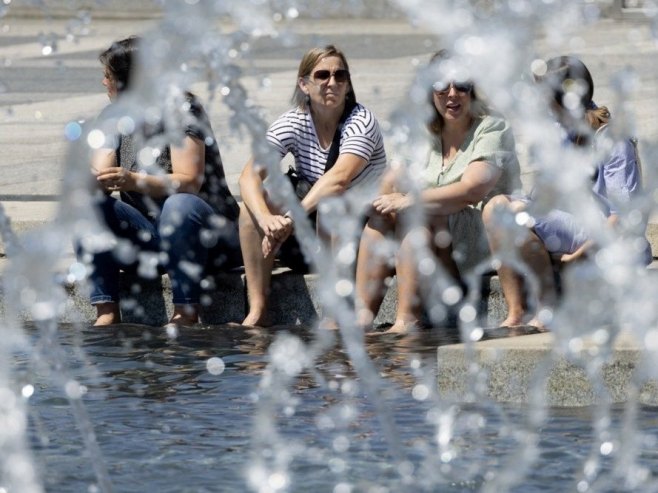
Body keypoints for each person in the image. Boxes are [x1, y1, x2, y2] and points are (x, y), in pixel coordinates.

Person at [354, 49, 522, 334]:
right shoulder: (425, 133)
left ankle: (407, 320)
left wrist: (410, 200)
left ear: (473, 89)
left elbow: (472, 189)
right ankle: (361, 321)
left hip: (479, 240)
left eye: (461, 85)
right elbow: (392, 180)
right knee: (381, 218)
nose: (452, 94)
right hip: (434, 241)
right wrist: (380, 204)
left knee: (418, 213)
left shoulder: (493, 127)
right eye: (441, 85)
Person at [80, 36, 242, 326]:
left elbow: (189, 181)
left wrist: (132, 180)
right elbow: (101, 172)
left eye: (109, 76)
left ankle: (186, 312)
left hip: (207, 237)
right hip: (152, 237)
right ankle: (106, 313)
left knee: (179, 205)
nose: (104, 83)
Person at [482, 55, 652, 330]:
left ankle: (546, 310)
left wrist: (578, 256)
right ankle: (516, 312)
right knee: (494, 208)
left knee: (515, 212)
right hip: (571, 228)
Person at [238, 45, 387, 327]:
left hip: (361, 233)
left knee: (331, 203)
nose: (332, 82)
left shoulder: (361, 122)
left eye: (340, 76)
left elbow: (338, 179)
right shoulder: (294, 121)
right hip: (313, 232)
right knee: (250, 209)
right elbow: (248, 176)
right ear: (304, 84)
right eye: (322, 75)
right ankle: (258, 311)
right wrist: (265, 219)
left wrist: (290, 219)